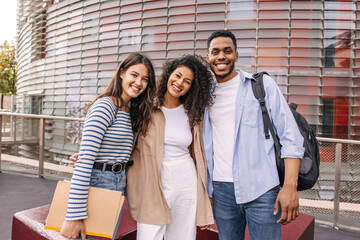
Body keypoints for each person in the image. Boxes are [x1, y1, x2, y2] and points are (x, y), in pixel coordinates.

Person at [203, 30, 305, 240]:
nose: (221, 56)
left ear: (236, 56)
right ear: (208, 57)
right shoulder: (205, 97)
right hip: (221, 191)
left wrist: (289, 188)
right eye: (215, 52)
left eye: (227, 51)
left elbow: (290, 138)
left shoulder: (262, 85)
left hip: (263, 190)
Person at [60, 52, 156, 240]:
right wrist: (74, 215)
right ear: (122, 73)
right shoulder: (106, 106)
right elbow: (86, 160)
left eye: (145, 79)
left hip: (117, 183)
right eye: (134, 75)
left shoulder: (129, 111)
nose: (139, 83)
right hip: (98, 182)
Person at [126, 54, 214, 240]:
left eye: (187, 81)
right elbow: (125, 138)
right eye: (178, 75)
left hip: (185, 176)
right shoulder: (146, 105)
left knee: (183, 235)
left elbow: (199, 152)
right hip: (152, 176)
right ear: (168, 74)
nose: (180, 82)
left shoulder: (193, 113)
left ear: (192, 87)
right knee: (149, 234)